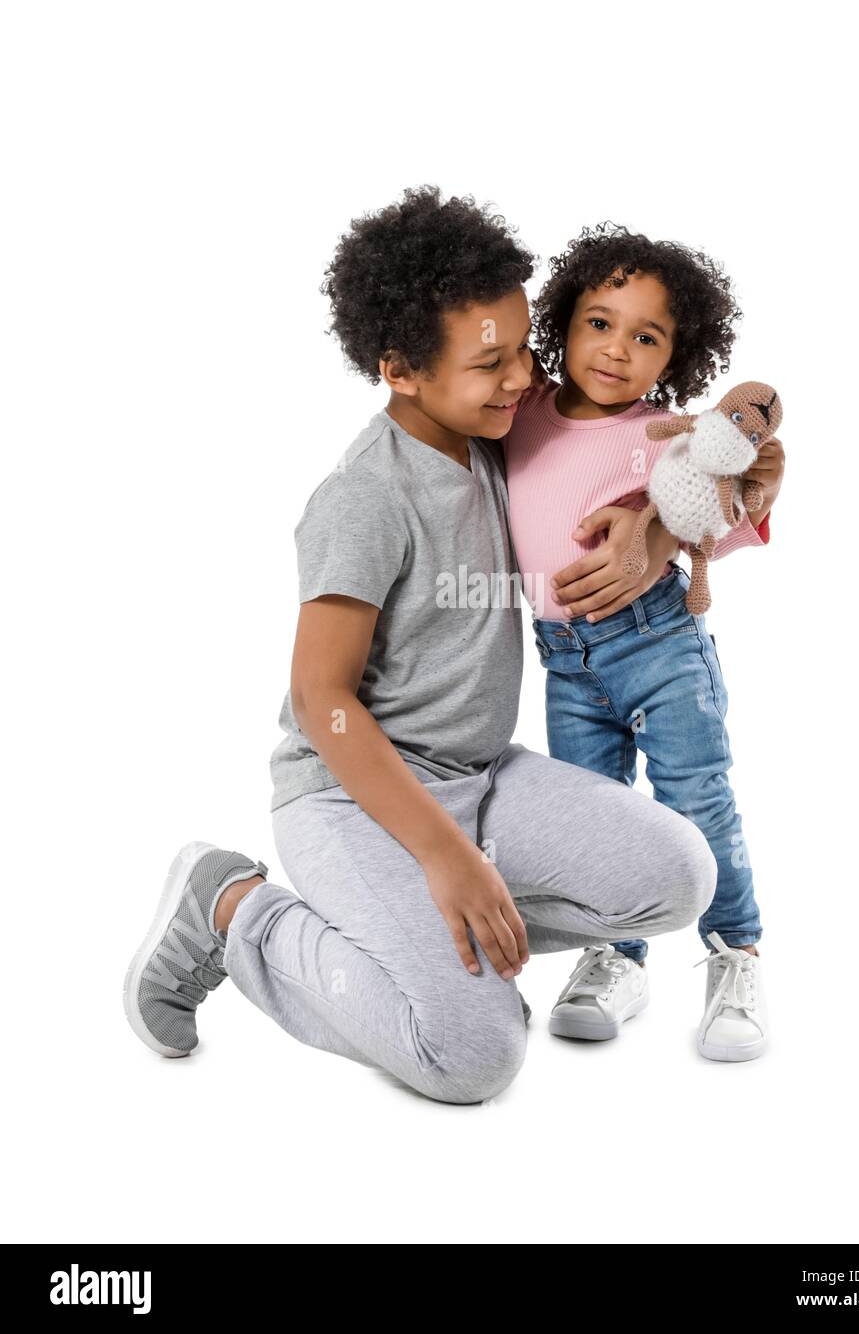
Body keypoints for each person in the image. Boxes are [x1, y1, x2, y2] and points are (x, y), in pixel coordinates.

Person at [123, 187, 717, 1103]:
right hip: (351, 799)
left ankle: (422, 957)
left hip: (480, 776)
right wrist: (444, 858)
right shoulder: (364, 498)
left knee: (679, 879)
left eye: (525, 345)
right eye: (491, 362)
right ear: (400, 369)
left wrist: (664, 535)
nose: (523, 376)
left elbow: (705, 448)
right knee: (471, 1057)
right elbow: (323, 698)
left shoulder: (500, 429)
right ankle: (234, 911)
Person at [500, 224, 785, 1060]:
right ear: (563, 323)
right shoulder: (523, 414)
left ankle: (735, 956)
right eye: (599, 322)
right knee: (594, 816)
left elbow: (737, 499)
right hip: (564, 661)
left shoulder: (670, 434)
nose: (617, 349)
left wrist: (657, 525)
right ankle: (613, 959)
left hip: (658, 645)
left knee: (694, 801)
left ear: (675, 357)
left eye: (646, 336)